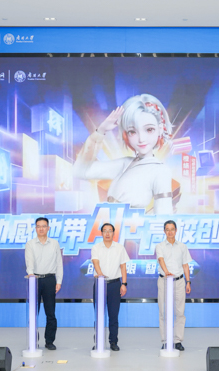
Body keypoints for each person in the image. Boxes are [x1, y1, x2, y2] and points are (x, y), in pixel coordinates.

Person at [72, 94, 173, 214]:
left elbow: (163, 216)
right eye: (132, 131)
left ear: (160, 129)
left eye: (149, 129)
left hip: (131, 224)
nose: (141, 139)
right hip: (109, 223)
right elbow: (80, 171)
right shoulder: (125, 163)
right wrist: (101, 131)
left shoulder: (160, 171)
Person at [25, 217, 64, 351]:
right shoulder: (30, 244)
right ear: (35, 228)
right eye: (38, 226)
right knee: (33, 313)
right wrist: (31, 274)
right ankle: (33, 340)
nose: (41, 229)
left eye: (43, 226)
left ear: (48, 228)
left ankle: (49, 341)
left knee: (50, 313)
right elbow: (29, 262)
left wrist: (59, 281)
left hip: (49, 280)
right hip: (34, 280)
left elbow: (59, 263)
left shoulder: (54, 243)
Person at [90, 223, 130, 351]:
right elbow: (95, 262)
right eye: (105, 231)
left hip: (114, 285)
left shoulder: (120, 248)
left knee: (113, 315)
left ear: (113, 233)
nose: (107, 233)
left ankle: (113, 342)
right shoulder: (96, 247)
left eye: (110, 231)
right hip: (99, 284)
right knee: (99, 315)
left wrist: (124, 284)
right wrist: (100, 275)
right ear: (101, 233)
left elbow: (123, 266)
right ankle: (98, 342)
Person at [155, 220, 192, 351]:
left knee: (180, 312)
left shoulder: (182, 246)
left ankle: (177, 341)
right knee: (163, 312)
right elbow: (161, 260)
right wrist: (167, 272)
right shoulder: (160, 246)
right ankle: (165, 341)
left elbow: (185, 265)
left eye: (172, 229)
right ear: (164, 231)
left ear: (176, 230)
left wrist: (188, 282)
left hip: (179, 281)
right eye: (167, 229)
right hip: (164, 281)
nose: (170, 232)